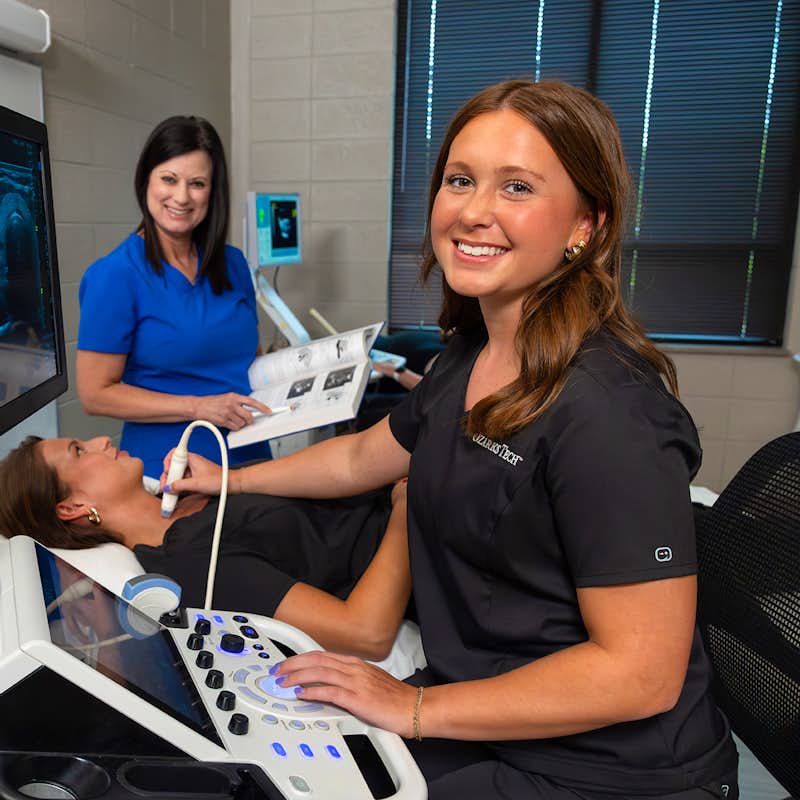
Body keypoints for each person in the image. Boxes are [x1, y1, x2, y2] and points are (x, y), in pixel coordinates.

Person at [162, 79, 739, 799]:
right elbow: (360, 457)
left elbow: (641, 674)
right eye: (460, 180)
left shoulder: (609, 411)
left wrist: (414, 708)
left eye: (517, 187)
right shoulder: (467, 358)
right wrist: (228, 479)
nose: (472, 211)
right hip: (486, 716)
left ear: (586, 225)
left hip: (607, 771)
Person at [0, 434, 409, 661]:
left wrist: (233, 479)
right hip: (420, 537)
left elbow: (348, 466)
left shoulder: (198, 491)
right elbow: (365, 633)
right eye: (79, 450)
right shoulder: (190, 562)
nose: (102, 438)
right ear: (72, 507)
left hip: (398, 490)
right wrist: (405, 512)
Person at [76, 116, 272, 479]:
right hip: (171, 469)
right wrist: (198, 407)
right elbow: (94, 394)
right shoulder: (115, 276)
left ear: (212, 192)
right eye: (169, 179)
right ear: (146, 180)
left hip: (251, 456)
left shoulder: (232, 264)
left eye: (197, 184)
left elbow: (251, 358)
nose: (181, 197)